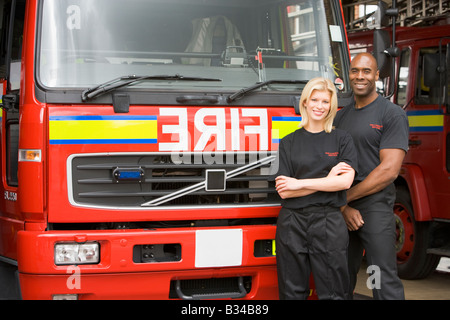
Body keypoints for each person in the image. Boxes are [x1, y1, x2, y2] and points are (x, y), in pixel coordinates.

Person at [333, 52, 409, 300]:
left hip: (374, 206)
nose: (360, 76)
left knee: (380, 277)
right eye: (355, 71)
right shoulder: (341, 117)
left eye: (367, 71)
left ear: (377, 76)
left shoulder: (391, 114)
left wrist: (347, 198)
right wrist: (343, 207)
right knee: (339, 277)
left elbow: (389, 171)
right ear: (349, 75)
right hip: (343, 206)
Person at [275, 77, 358, 300]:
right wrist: (326, 180)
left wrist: (299, 183)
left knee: (334, 293)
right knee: (291, 292)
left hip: (328, 221)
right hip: (292, 222)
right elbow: (284, 191)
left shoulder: (342, 139)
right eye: (315, 100)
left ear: (331, 106)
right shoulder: (288, 142)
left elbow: (344, 182)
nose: (319, 106)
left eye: (325, 101)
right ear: (305, 102)